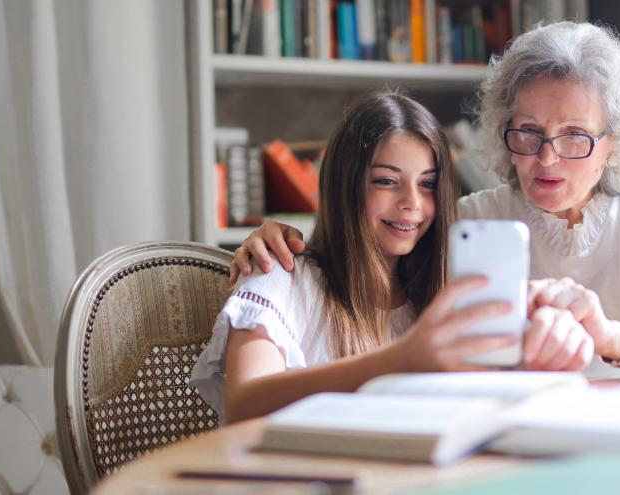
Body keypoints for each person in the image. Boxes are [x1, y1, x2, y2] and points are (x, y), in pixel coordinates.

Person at [229, 22, 620, 379]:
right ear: (502, 129)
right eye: (528, 132)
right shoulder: (467, 221)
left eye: (575, 136)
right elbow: (366, 264)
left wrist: (609, 337)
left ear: (614, 143)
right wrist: (278, 238)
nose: (547, 158)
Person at [190, 91, 593, 424]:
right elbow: (244, 404)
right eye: (386, 181)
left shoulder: (438, 295)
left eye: (428, 185)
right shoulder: (279, 274)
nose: (412, 205)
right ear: (344, 185)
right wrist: (402, 360)